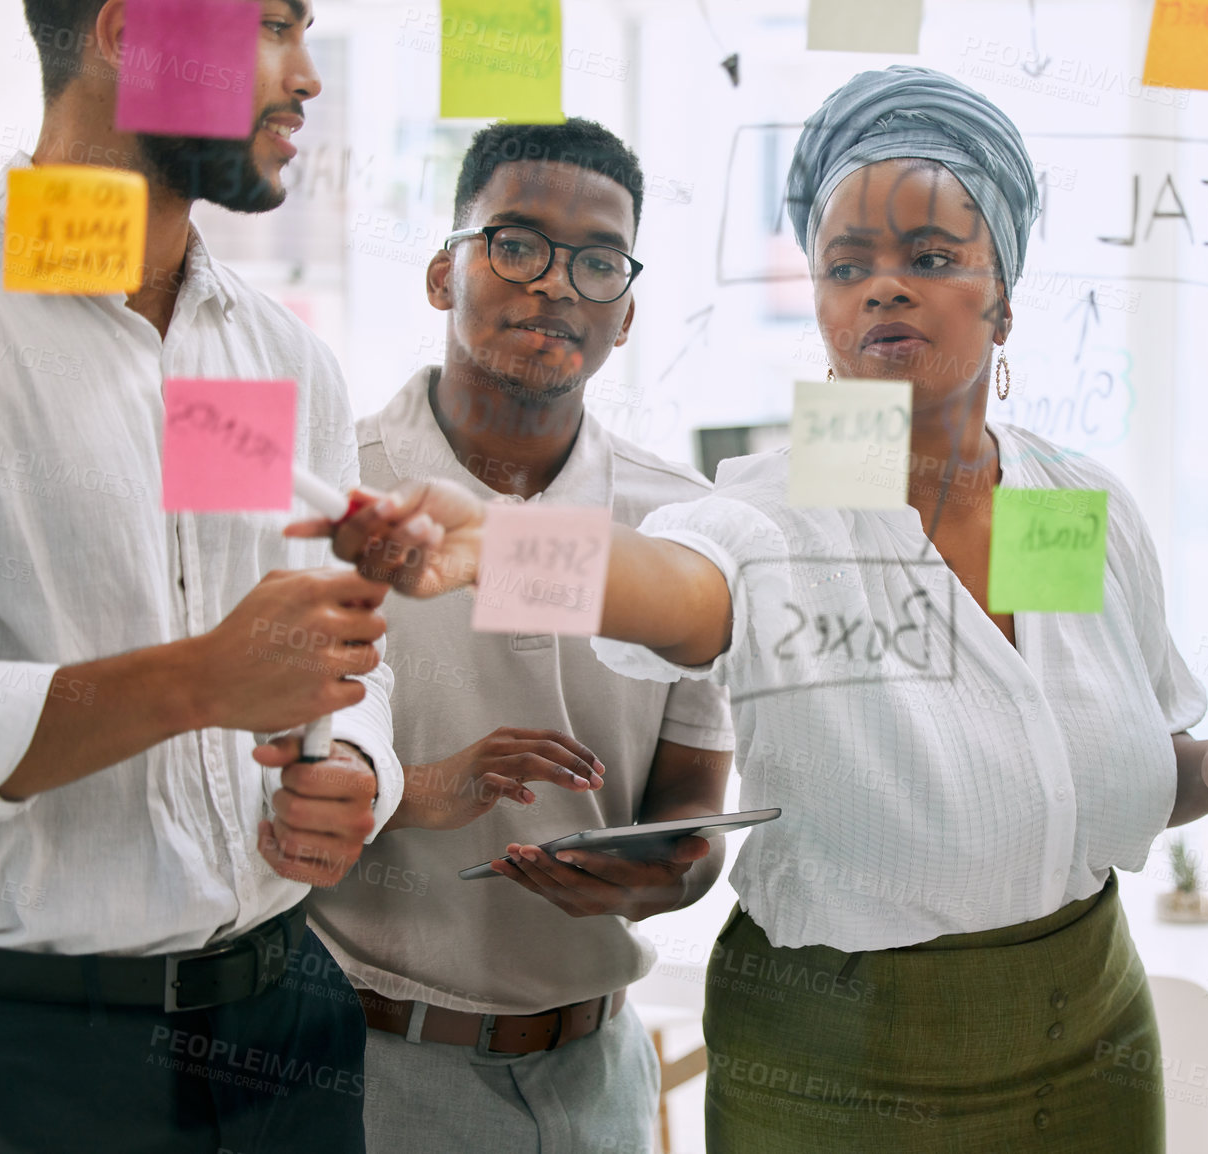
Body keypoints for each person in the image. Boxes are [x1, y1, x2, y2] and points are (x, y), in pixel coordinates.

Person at [317, 65, 1208, 1153]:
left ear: (1006, 295)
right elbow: (685, 588)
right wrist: (500, 549)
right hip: (844, 1061)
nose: (884, 288)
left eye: (931, 259)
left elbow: (1065, 759)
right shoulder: (796, 492)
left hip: (1088, 1030)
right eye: (849, 265)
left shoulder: (1064, 504)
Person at [0, 3, 546, 1150]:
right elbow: (228, 662)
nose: (305, 78)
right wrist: (199, 680)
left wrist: (356, 763)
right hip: (39, 1051)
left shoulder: (278, 354)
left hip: (287, 1020)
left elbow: (344, 644)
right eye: (268, 25)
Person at [307, 118, 735, 1154]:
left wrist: (665, 872)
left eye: (596, 261)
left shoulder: (682, 525)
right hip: (371, 1067)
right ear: (440, 274)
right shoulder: (333, 490)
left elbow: (694, 802)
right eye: (514, 242)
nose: (554, 283)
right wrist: (416, 785)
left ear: (626, 315)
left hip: (600, 1078)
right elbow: (241, 785)